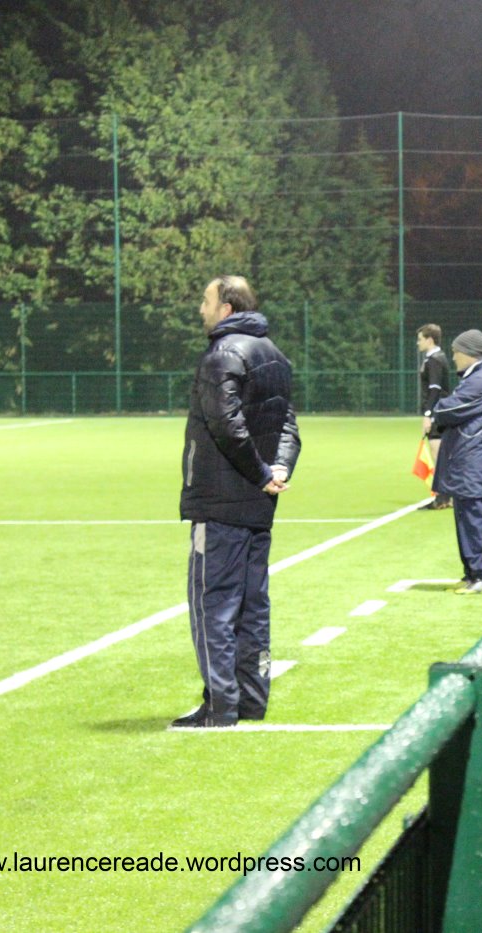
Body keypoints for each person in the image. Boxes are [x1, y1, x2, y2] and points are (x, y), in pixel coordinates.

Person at [173, 275, 300, 730]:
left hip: (220, 502)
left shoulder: (221, 354)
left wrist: (263, 473)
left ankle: (220, 707)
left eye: (205, 300)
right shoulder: (275, 356)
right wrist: (278, 469)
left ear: (226, 308)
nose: (200, 309)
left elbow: (225, 425)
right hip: (258, 507)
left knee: (213, 605)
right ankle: (251, 700)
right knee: (252, 606)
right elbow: (289, 426)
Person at [431, 329, 482, 595]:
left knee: (473, 516)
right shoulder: (479, 377)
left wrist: (436, 408)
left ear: (468, 353)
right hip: (469, 457)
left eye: (455, 352)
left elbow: (448, 409)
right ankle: (472, 574)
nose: (453, 357)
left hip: (473, 458)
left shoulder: (479, 380)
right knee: (465, 515)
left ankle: (481, 576)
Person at [416, 324, 452, 510]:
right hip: (440, 411)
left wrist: (428, 414)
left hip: (438, 412)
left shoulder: (435, 360)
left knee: (438, 454)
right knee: (441, 454)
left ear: (430, 340)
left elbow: (435, 389)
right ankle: (446, 496)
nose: (418, 343)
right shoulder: (436, 358)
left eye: (420, 339)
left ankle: (442, 497)